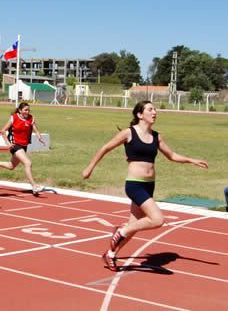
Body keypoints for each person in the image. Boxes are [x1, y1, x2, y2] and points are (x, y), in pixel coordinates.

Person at [82, 100, 208, 271]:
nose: (154, 112)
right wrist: (90, 168)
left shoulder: (156, 136)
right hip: (135, 185)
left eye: (155, 109)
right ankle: (121, 231)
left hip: (149, 185)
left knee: (134, 225)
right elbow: (105, 148)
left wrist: (192, 160)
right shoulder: (129, 133)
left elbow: (171, 155)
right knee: (157, 220)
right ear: (140, 115)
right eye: (150, 109)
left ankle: (110, 254)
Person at [0, 102, 46, 195]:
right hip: (15, 145)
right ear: (20, 110)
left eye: (28, 110)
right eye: (25, 110)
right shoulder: (14, 117)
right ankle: (34, 186)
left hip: (24, 146)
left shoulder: (31, 118)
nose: (27, 112)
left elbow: (36, 130)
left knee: (11, 166)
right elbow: (3, 131)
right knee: (28, 163)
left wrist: (40, 138)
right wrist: (8, 143)